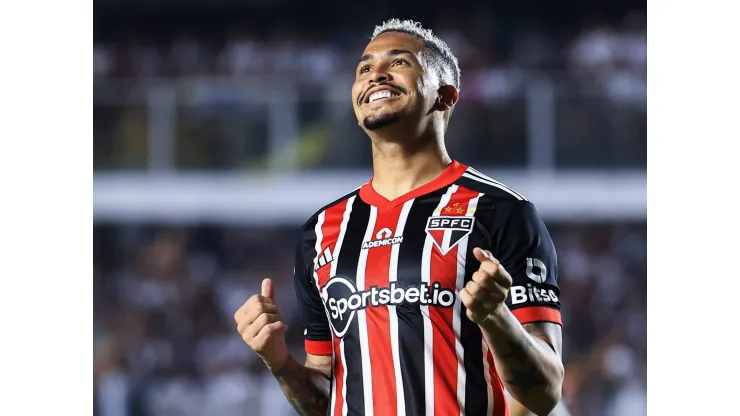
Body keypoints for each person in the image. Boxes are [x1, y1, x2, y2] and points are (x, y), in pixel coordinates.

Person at [234, 19, 565, 416]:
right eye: (364, 68)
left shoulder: (502, 211)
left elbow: (545, 392)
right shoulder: (320, 232)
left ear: (445, 96)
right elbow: (325, 395)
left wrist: (495, 318)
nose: (376, 74)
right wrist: (281, 364)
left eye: (399, 62)